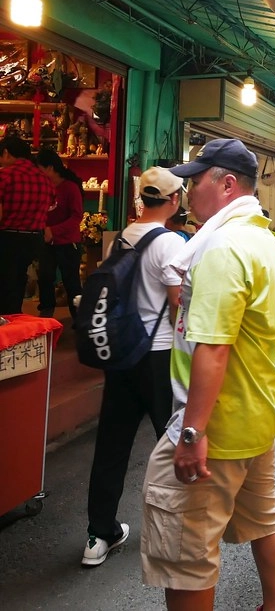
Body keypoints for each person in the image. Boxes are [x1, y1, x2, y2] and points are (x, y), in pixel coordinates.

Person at [140, 139, 275, 611]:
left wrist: (191, 431)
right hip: (257, 416)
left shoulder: (223, 246)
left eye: (195, 180)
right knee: (265, 518)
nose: (186, 191)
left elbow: (214, 349)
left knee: (187, 556)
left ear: (226, 185)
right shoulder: (263, 238)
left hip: (219, 428)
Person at [81, 167, 186, 567]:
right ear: (174, 200)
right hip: (157, 356)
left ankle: (98, 533)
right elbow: (178, 304)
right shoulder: (170, 243)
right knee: (173, 441)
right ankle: (178, 527)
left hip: (121, 354)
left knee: (112, 444)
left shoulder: (120, 239)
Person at [0, 136, 55, 315]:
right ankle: (15, 323)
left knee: (5, 286)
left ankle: (6, 329)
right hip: (34, 240)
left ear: (6, 153)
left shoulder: (4, 175)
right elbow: (49, 207)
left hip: (8, 238)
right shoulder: (45, 179)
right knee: (18, 282)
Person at [35, 148, 84, 320]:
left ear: (49, 168)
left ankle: (79, 317)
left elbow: (77, 217)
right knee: (45, 277)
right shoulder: (42, 188)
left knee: (71, 281)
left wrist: (53, 231)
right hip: (47, 242)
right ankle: (46, 312)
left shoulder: (70, 188)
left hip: (68, 242)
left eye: (39, 168)